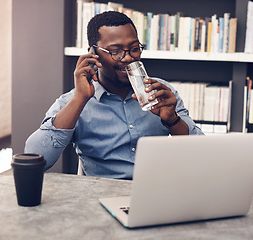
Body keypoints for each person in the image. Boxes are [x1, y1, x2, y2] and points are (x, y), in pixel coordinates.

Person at [25, 11, 203, 179]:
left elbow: (201, 154)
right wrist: (80, 100)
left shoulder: (162, 93)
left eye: (134, 48)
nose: (127, 58)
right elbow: (36, 159)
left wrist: (173, 120)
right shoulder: (74, 100)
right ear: (93, 53)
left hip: (156, 192)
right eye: (115, 51)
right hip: (101, 197)